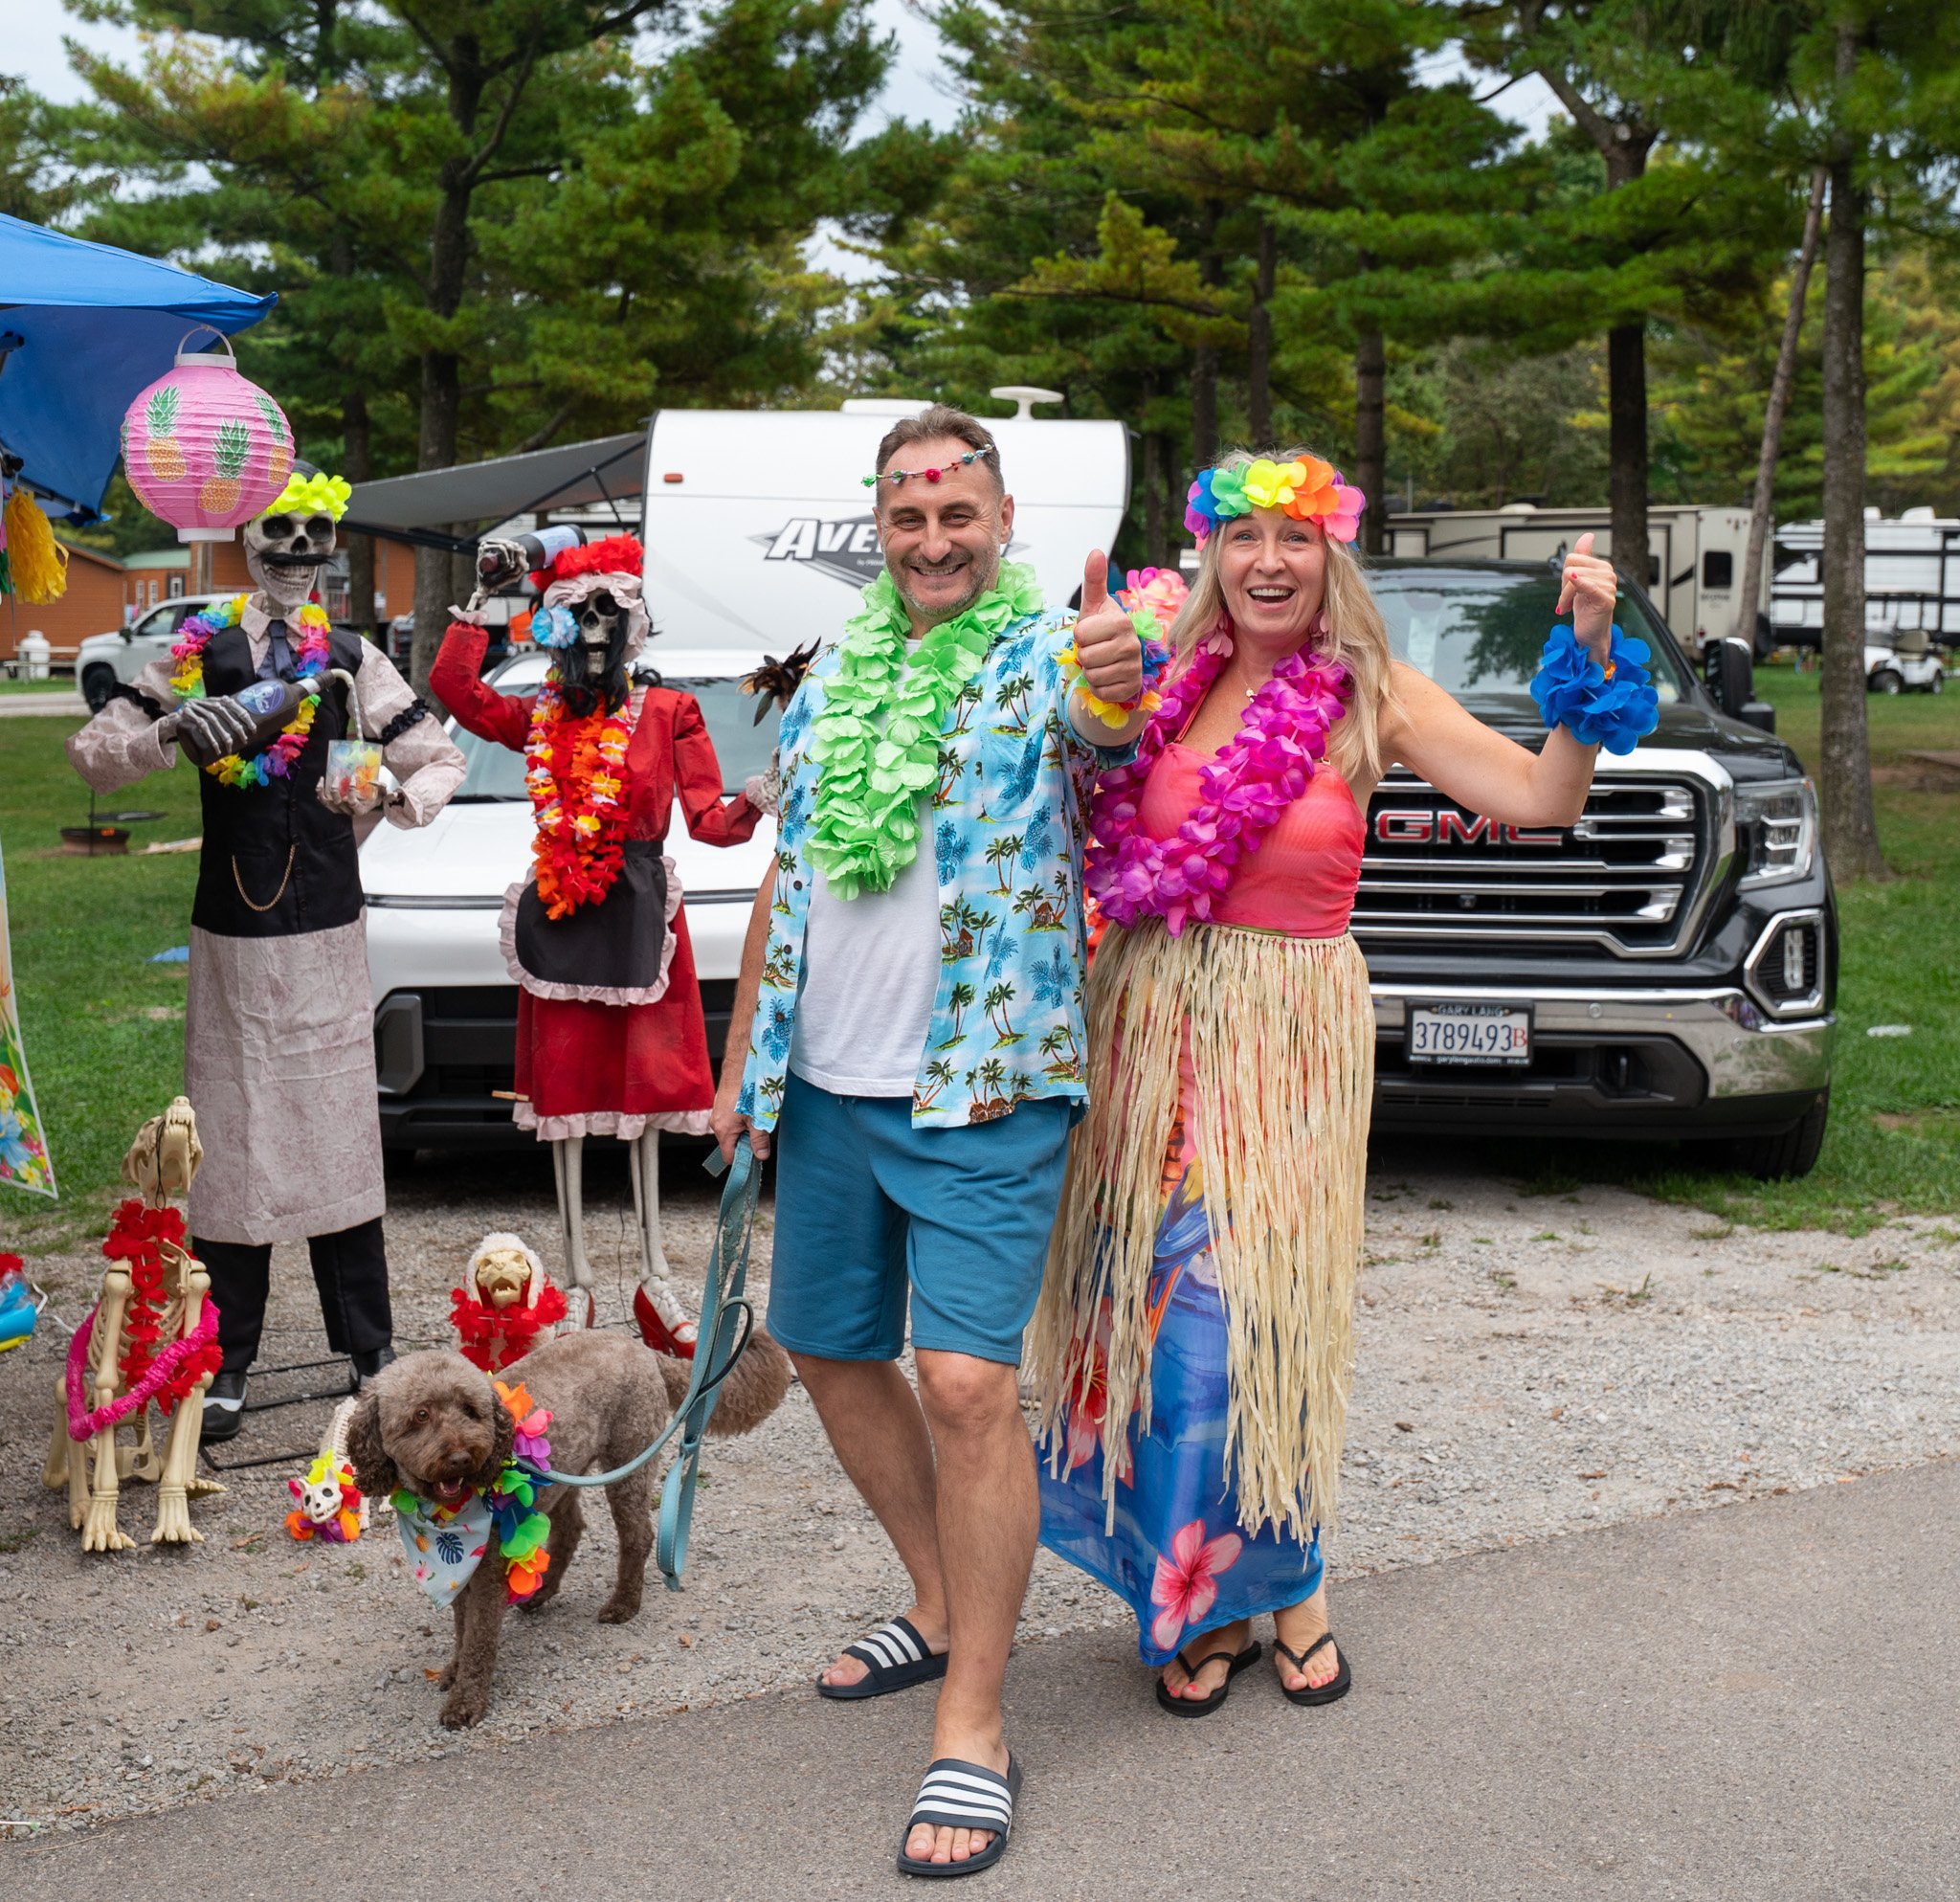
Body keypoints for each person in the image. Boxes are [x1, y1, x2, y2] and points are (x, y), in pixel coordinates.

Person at [1026, 449, 1647, 1714]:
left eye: (1295, 539)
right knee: (1141, 1333)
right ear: (1209, 554)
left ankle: (1284, 1577)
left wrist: (1589, 653)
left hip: (1286, 1039)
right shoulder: (1158, 683)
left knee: (1246, 1326)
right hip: (1146, 1027)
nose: (1268, 561)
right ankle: (1202, 1591)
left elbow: (1541, 798)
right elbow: (1074, 804)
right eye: (1244, 537)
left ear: (1330, 558)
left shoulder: (1375, 693)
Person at [712, 404, 1150, 1876]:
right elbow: (794, 867)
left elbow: (1106, 735)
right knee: (833, 1347)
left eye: (958, 514)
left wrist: (1114, 676)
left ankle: (974, 1718)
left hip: (984, 1076)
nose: (934, 539)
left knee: (966, 1378)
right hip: (827, 1080)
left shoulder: (1044, 654)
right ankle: (941, 1594)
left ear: (1002, 520)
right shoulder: (837, 667)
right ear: (878, 528)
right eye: (908, 517)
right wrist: (738, 1063)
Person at [67, 470, 466, 1438]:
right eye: (276, 530)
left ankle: (369, 1350)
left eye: (313, 532)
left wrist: (387, 798)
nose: (294, 548)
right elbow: (91, 751)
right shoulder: (197, 650)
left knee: (339, 1129)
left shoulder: (355, 657)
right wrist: (165, 723)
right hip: (234, 934)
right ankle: (225, 1356)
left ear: (332, 546)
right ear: (246, 539)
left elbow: (440, 755)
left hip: (328, 928)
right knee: (235, 1142)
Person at [431, 533, 762, 1355]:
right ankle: (575, 1284)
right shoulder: (538, 714)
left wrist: (765, 793)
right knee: (569, 1103)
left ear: (636, 624)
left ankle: (653, 1277)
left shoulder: (669, 712)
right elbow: (453, 689)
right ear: (552, 623)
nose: (595, 627)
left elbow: (713, 822)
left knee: (644, 1103)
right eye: (577, 611)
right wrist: (480, 600)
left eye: (610, 611)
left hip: (642, 919)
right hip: (560, 914)